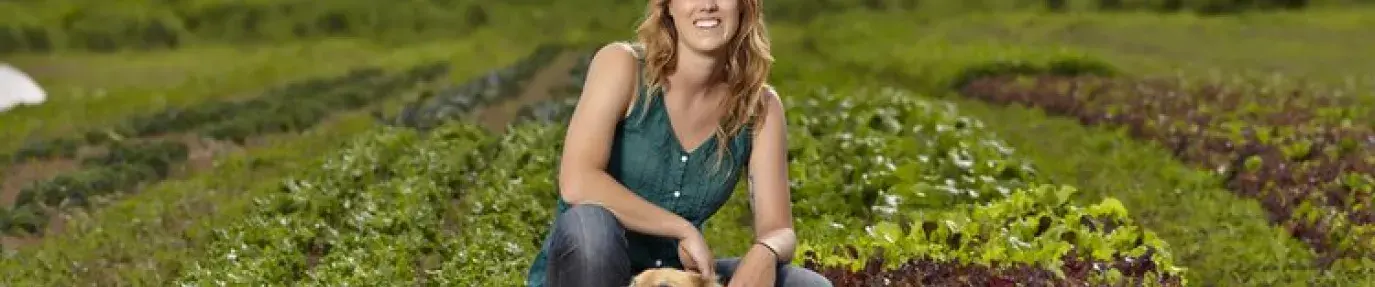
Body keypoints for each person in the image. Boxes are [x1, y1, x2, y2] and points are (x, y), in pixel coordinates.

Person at [525, 0, 832, 286]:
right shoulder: (622, 66)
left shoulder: (760, 107)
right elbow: (578, 182)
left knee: (808, 285)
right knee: (591, 229)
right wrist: (680, 228)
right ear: (669, 6)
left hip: (676, 277)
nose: (708, 5)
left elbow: (779, 229)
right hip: (591, 269)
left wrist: (764, 252)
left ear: (743, 6)